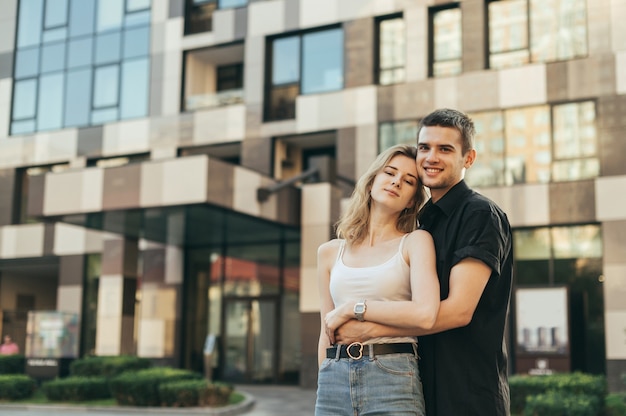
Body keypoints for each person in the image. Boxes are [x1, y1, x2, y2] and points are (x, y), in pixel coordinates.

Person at [334, 108, 514, 416]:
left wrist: (368, 330)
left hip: (467, 395)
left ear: (468, 159)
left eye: (445, 149)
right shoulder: (423, 225)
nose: (431, 157)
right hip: (418, 388)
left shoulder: (479, 215)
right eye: (425, 147)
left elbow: (459, 310)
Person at [315, 144, 440, 416]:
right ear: (371, 181)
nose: (396, 181)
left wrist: (352, 308)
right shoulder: (328, 253)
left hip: (392, 375)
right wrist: (323, 379)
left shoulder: (415, 242)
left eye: (408, 181)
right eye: (390, 173)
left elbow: (425, 314)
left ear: (411, 200)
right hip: (333, 379)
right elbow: (326, 330)